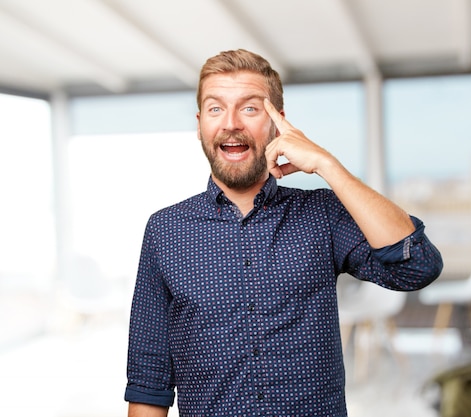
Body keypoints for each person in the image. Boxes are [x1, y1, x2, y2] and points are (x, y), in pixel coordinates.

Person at [124, 49, 443, 417]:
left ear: (277, 123)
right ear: (200, 125)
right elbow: (149, 381)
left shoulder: (322, 215)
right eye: (215, 109)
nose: (230, 123)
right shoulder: (166, 231)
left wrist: (327, 164)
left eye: (249, 108)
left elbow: (417, 266)